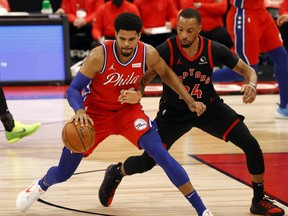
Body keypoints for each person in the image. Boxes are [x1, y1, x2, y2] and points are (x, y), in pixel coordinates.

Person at [16, 12, 214, 216]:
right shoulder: (99, 55)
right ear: (115, 35)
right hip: (94, 115)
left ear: (139, 36)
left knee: (161, 154)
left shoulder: (149, 53)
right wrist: (80, 110)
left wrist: (189, 100)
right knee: (63, 173)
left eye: (132, 39)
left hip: (127, 113)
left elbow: (166, 74)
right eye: (122, 38)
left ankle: (202, 210)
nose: (126, 44)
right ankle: (40, 185)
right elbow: (73, 90)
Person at [97, 8, 285, 216]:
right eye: (180, 30)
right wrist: (138, 93)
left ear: (200, 30)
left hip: (208, 108)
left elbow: (247, 70)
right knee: (148, 161)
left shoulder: (212, 49)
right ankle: (117, 172)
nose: (183, 35)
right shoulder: (167, 48)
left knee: (251, 144)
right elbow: (144, 78)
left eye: (189, 30)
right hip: (174, 113)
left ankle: (258, 200)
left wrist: (251, 84)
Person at [211, 0, 288, 119]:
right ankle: (198, 77)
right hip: (244, 14)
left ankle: (285, 107)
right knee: (247, 70)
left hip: (261, 12)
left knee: (282, 59)